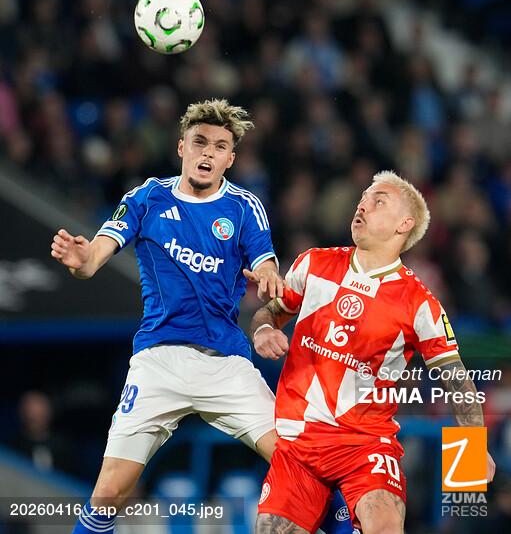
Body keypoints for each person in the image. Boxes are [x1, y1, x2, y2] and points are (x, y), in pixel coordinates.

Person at [51, 99, 283, 534]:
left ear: (230, 159)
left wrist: (269, 272)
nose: (207, 153)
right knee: (108, 491)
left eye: (219, 146)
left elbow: (264, 260)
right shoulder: (147, 197)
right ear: (181, 147)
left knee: (297, 461)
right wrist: (80, 259)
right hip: (158, 361)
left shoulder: (243, 206)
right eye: (199, 142)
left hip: (224, 363)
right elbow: (91, 260)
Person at [250, 170, 496, 534]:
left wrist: (474, 450)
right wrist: (264, 329)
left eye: (378, 201)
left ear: (404, 224)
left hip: (365, 445)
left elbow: (456, 379)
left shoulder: (419, 302)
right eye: (363, 199)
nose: (363, 206)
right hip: (298, 446)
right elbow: (270, 312)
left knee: (384, 524)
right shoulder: (314, 264)